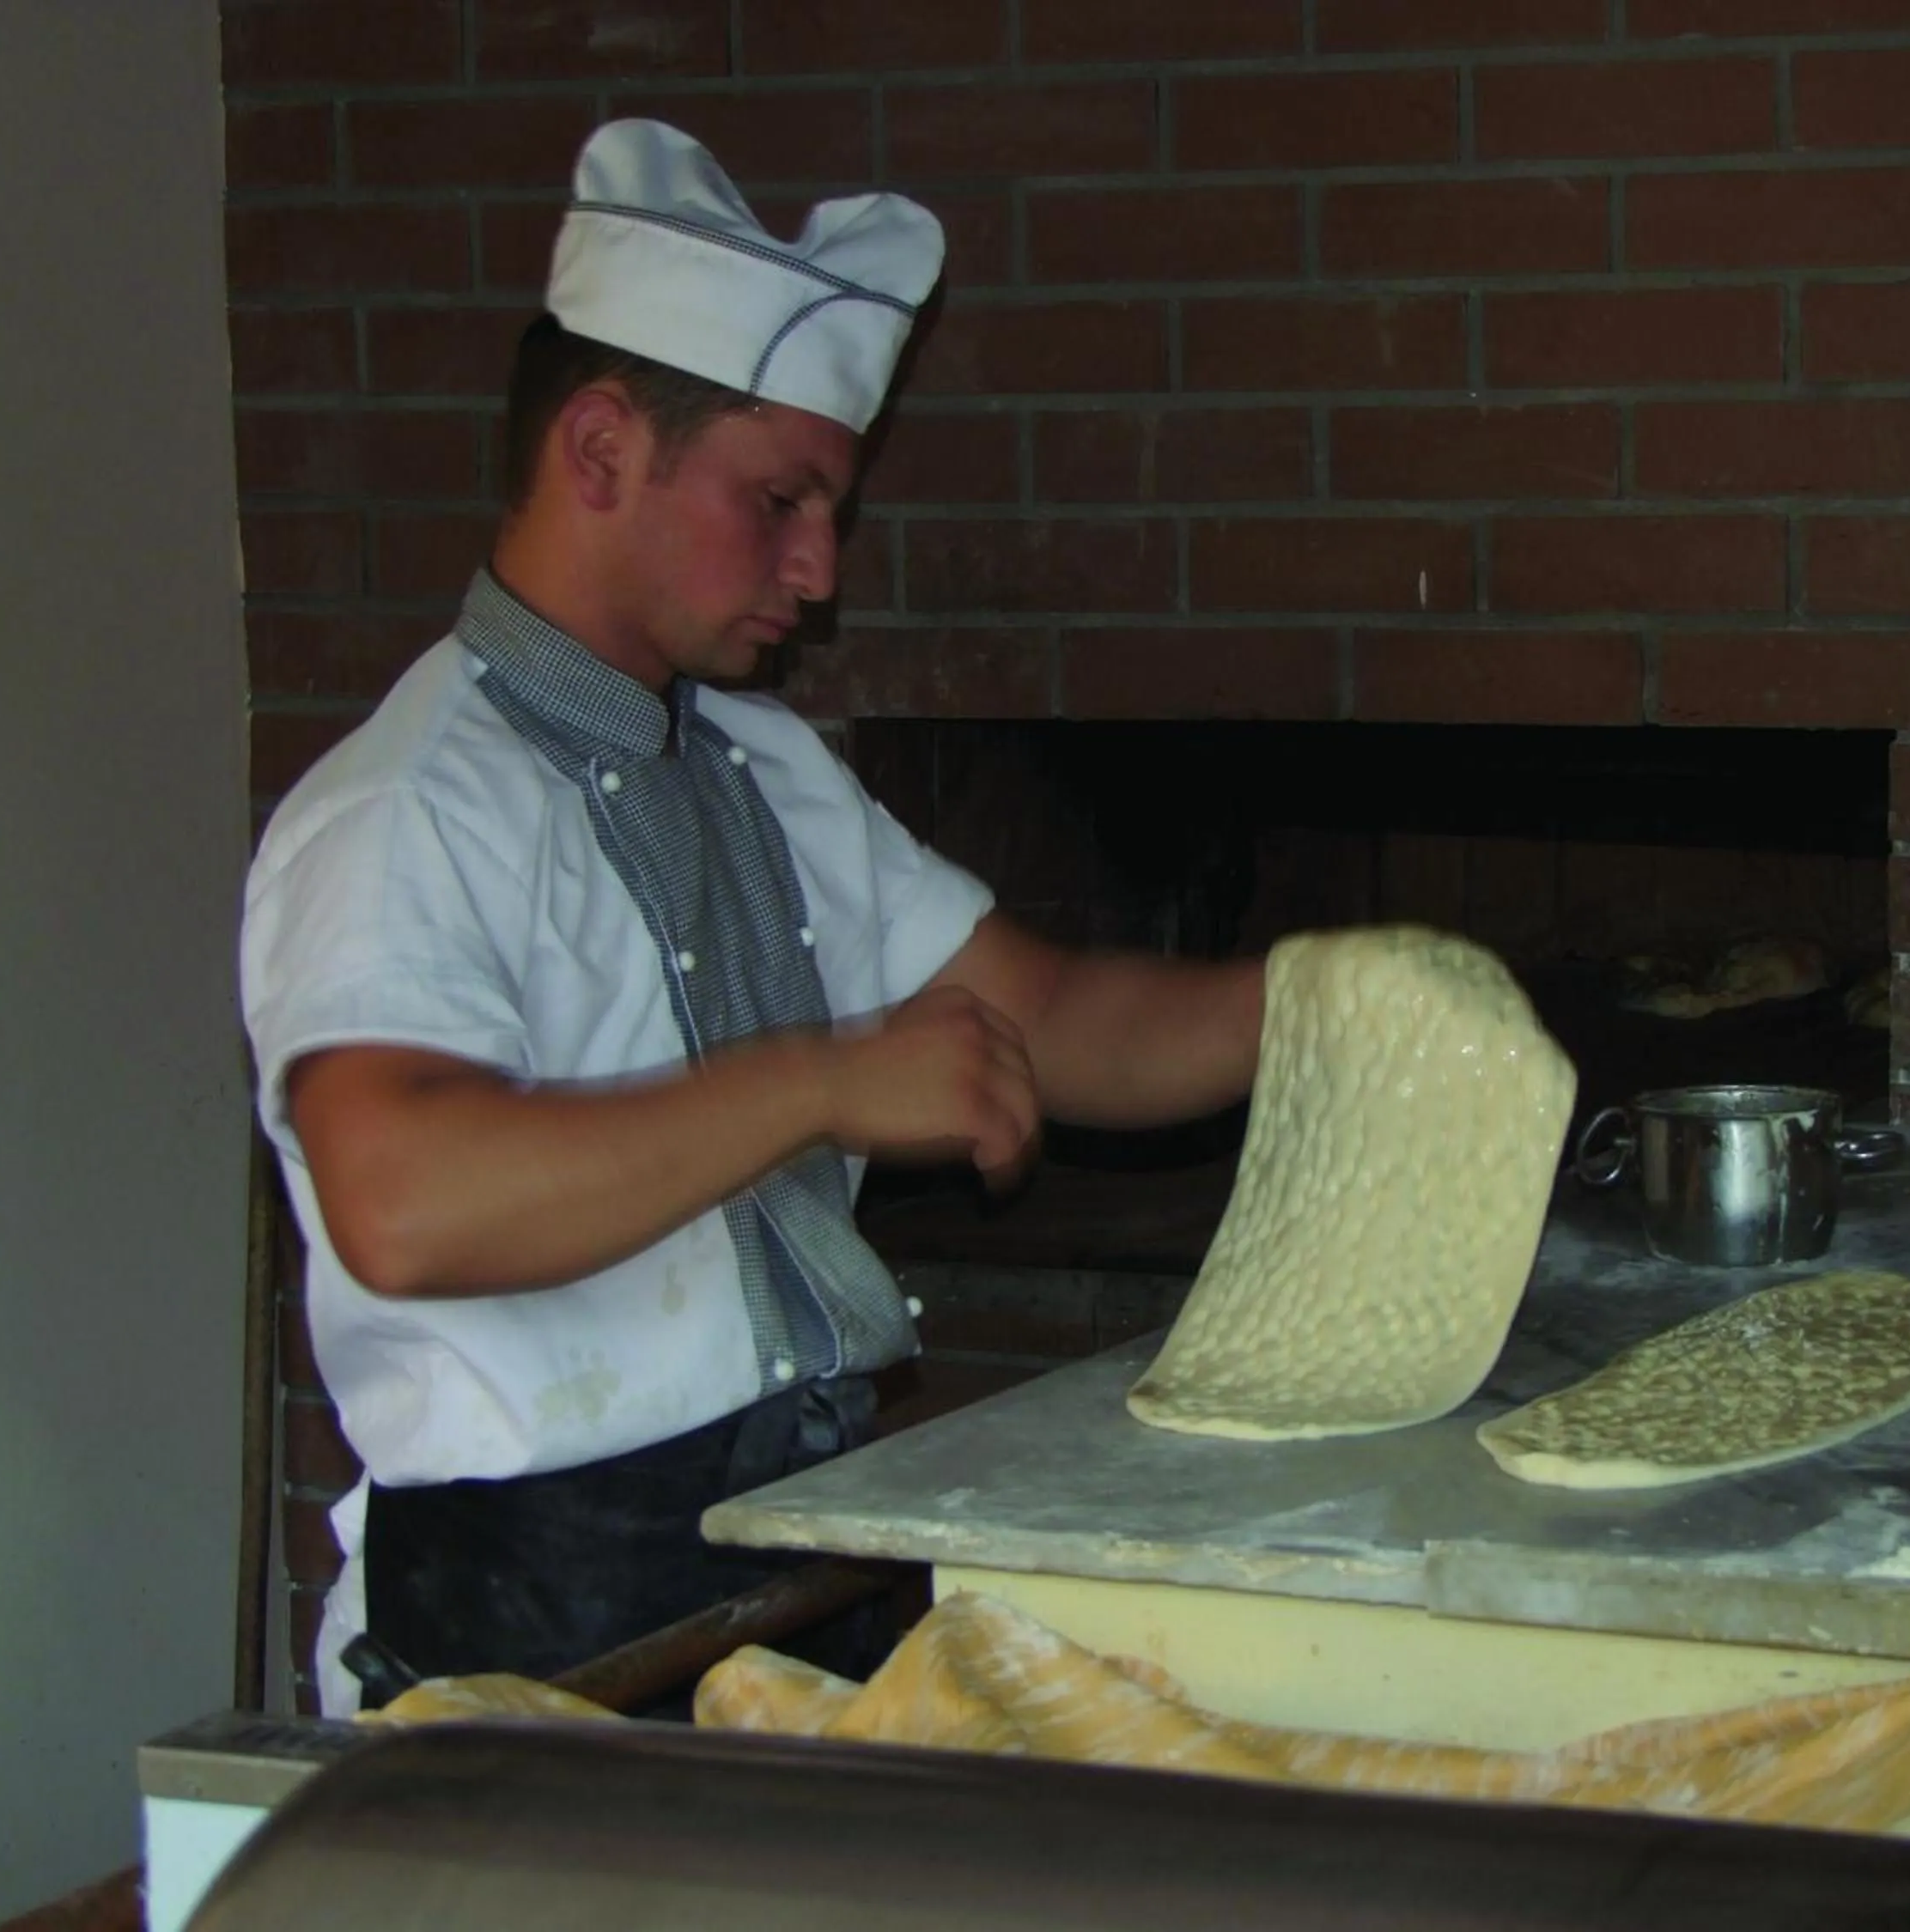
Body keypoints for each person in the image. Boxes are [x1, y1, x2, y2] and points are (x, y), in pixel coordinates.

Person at [240, 120, 1267, 1717]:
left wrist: (1331, 1001)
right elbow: (405, 1196)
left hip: (783, 1585)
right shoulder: (405, 816)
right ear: (599, 452)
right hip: (534, 1654)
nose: (820, 565)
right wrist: (819, 1077)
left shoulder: (767, 771)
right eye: (782, 496)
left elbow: (1054, 1017)